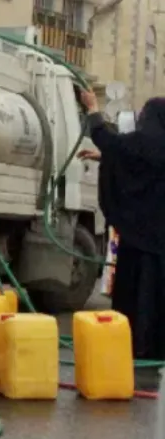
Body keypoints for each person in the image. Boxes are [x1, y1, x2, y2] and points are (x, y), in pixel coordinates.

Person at [79, 92, 165, 361]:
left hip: (135, 238)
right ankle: (152, 348)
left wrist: (93, 109)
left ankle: (131, 344)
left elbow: (107, 139)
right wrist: (105, 157)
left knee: (133, 292)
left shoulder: (139, 143)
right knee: (155, 294)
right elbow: (136, 161)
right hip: (160, 239)